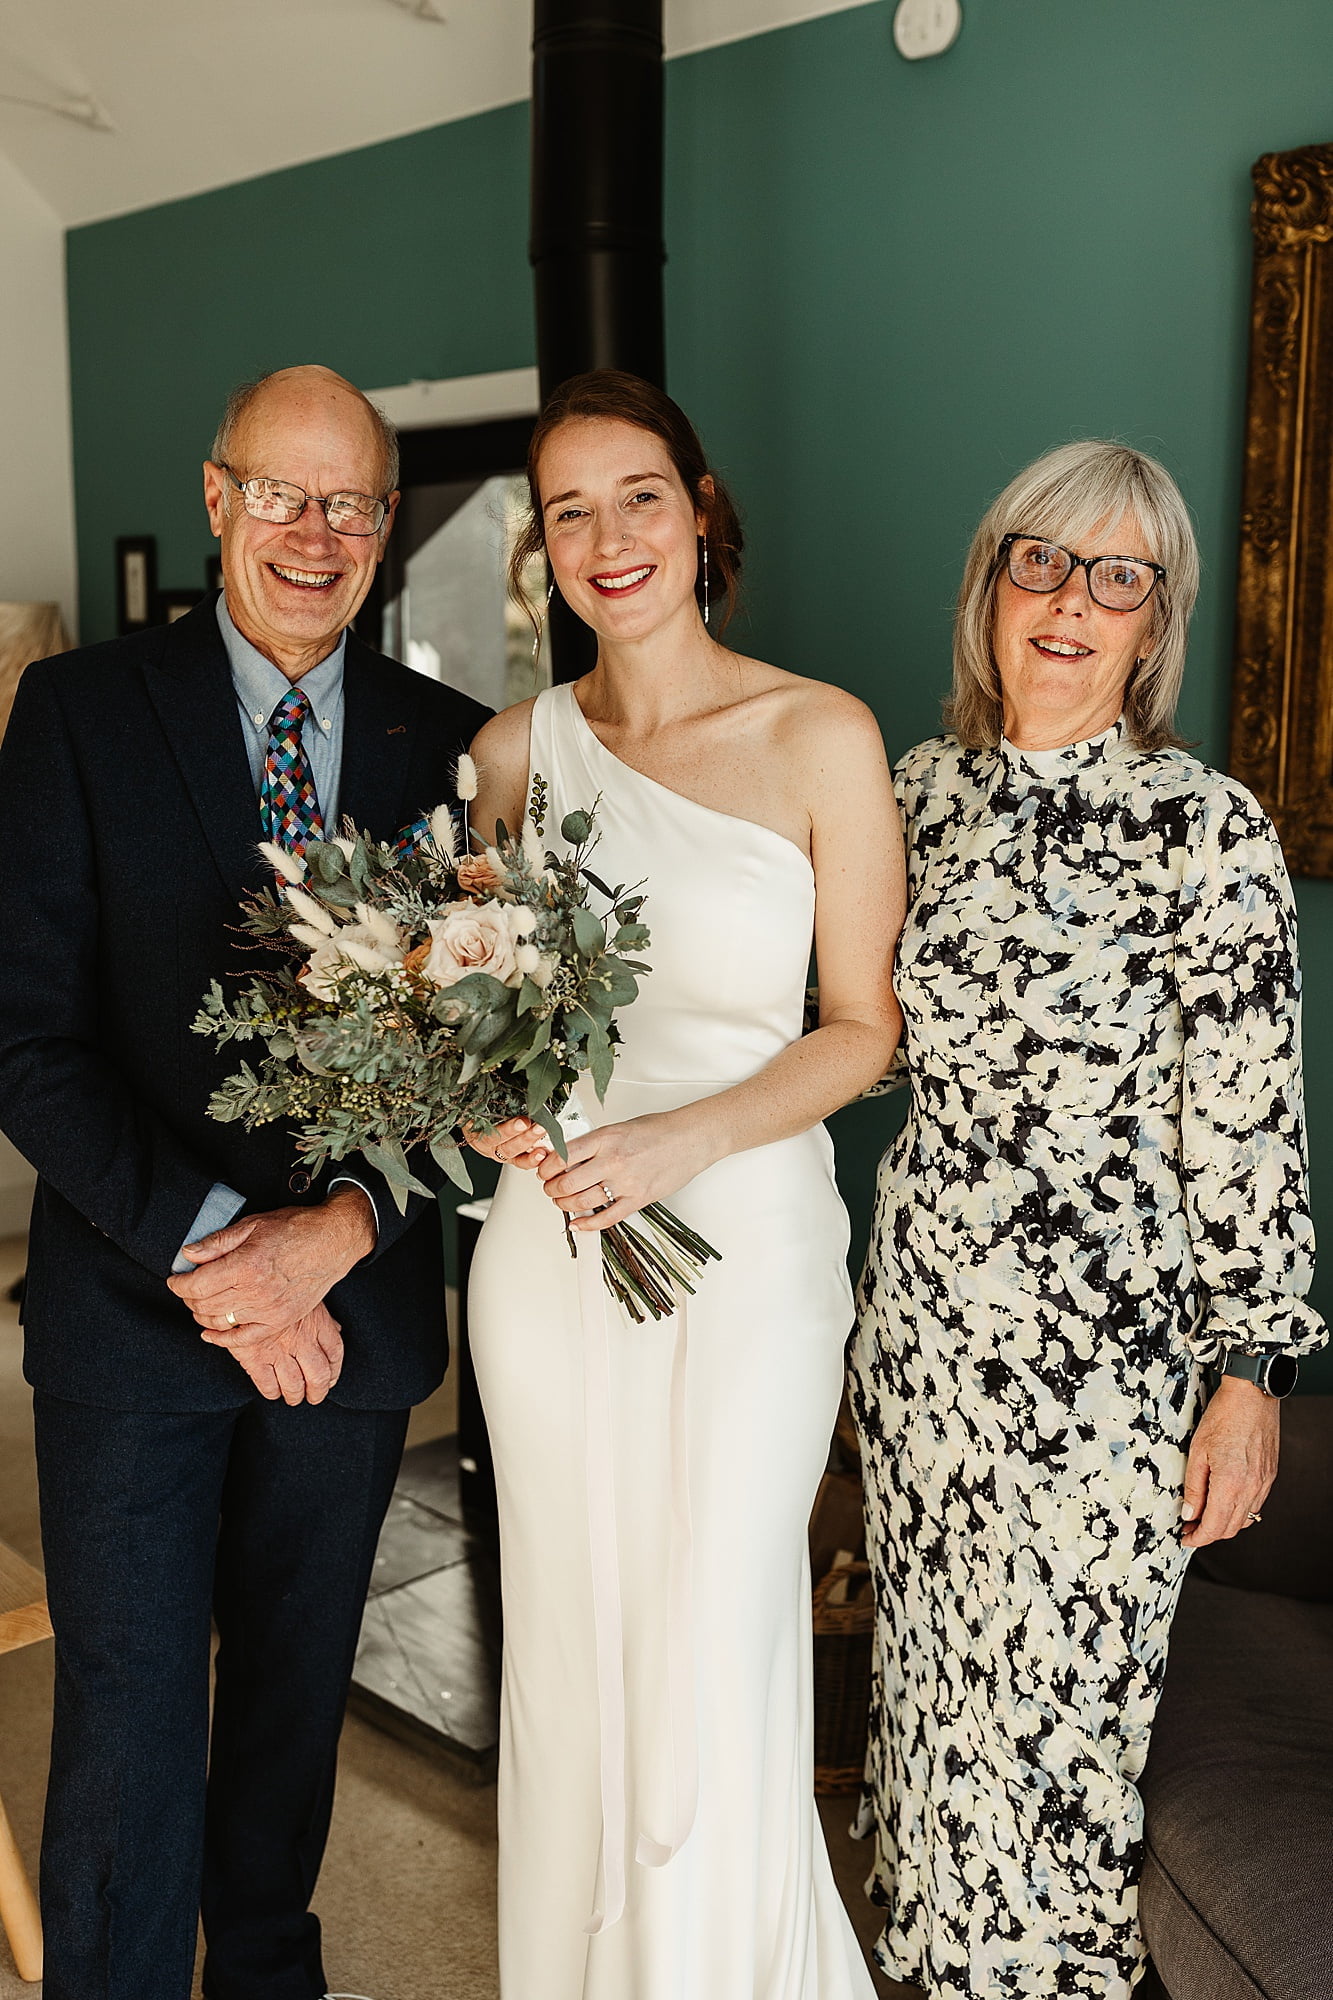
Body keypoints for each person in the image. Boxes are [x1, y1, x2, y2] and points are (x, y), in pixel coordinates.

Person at [0, 364, 489, 2000]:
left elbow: (492, 1067)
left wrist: (333, 1237)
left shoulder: (458, 752)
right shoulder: (74, 713)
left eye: (351, 502)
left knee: (289, 1730)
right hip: (138, 1318)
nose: (316, 531)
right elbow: (26, 1038)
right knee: (130, 1744)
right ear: (217, 500)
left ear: (385, 530)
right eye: (282, 493)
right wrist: (225, 1251)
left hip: (351, 1335)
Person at [850, 439, 1327, 2000]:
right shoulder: (904, 797)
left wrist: (1248, 1376)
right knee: (928, 1712)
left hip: (1102, 1369)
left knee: (1060, 1747)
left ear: (1153, 617)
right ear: (990, 580)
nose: (1070, 602)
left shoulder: (1208, 830)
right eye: (1040, 561)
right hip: (920, 1334)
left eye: (1115, 577)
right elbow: (816, 1029)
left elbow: (1250, 1131)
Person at [463, 369, 905, 1998]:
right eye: (567, 509)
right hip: (549, 1249)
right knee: (573, 1649)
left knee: (715, 1647)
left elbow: (862, 1028)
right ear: (541, 552)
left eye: (636, 493)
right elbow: (474, 1032)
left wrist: (685, 1139)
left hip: (746, 1245)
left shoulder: (818, 732)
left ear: (699, 509)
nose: (606, 535)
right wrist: (486, 1127)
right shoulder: (509, 754)